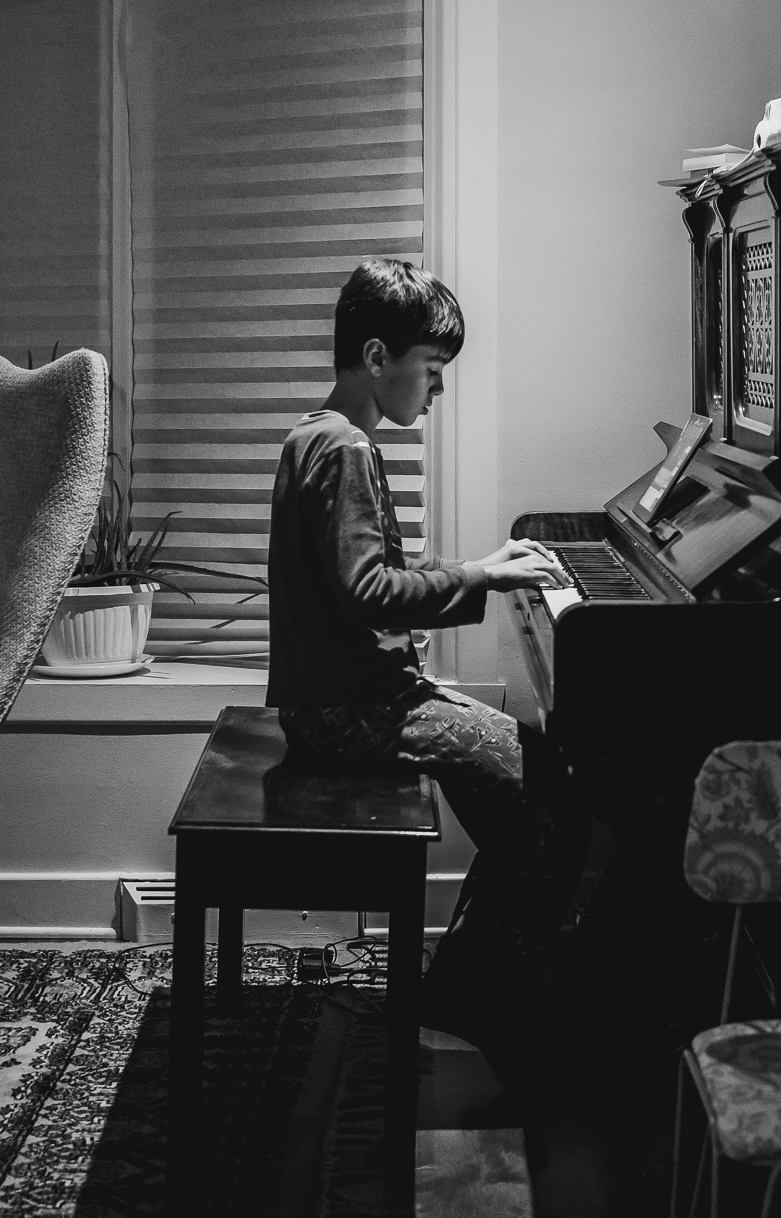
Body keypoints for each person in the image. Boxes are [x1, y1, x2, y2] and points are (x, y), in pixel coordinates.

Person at [266, 258, 579, 1056]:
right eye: (431, 370)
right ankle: (477, 999)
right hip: (354, 714)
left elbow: (356, 587)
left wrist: (476, 566)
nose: (437, 391)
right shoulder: (348, 452)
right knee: (553, 793)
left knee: (519, 776)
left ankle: (484, 979)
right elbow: (368, 590)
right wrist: (482, 572)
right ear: (378, 359)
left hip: (337, 701)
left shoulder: (313, 435)